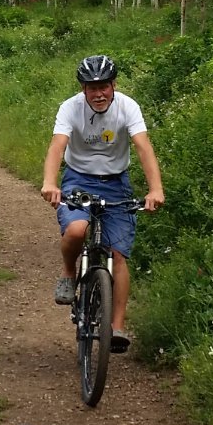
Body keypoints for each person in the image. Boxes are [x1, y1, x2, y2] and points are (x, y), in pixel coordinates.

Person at [41, 54, 165, 353]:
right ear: (83, 89)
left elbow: (143, 146)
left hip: (116, 181)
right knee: (76, 230)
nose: (98, 94)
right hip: (78, 179)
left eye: (104, 87)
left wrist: (155, 189)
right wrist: (50, 183)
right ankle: (70, 274)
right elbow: (58, 145)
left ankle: (116, 328)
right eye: (91, 87)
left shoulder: (128, 106)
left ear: (114, 85)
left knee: (118, 256)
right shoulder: (70, 108)